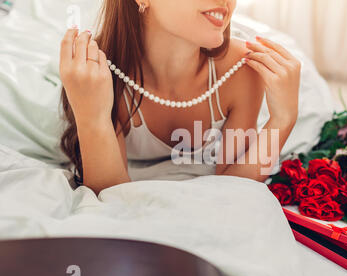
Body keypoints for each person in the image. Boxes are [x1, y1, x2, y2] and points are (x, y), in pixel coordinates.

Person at [59, 0, 301, 195]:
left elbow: (236, 189)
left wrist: (282, 120)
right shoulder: (100, 71)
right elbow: (111, 197)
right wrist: (92, 117)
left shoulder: (242, 68)